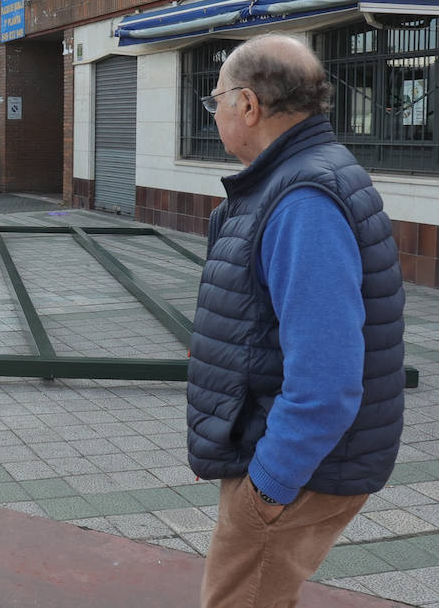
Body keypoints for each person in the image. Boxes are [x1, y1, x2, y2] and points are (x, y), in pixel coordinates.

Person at [187, 34, 405, 608]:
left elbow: (326, 378)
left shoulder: (303, 199)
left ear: (249, 105)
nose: (214, 113)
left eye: (216, 100)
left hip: (297, 467)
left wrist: (269, 484)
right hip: (298, 453)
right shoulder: (298, 178)